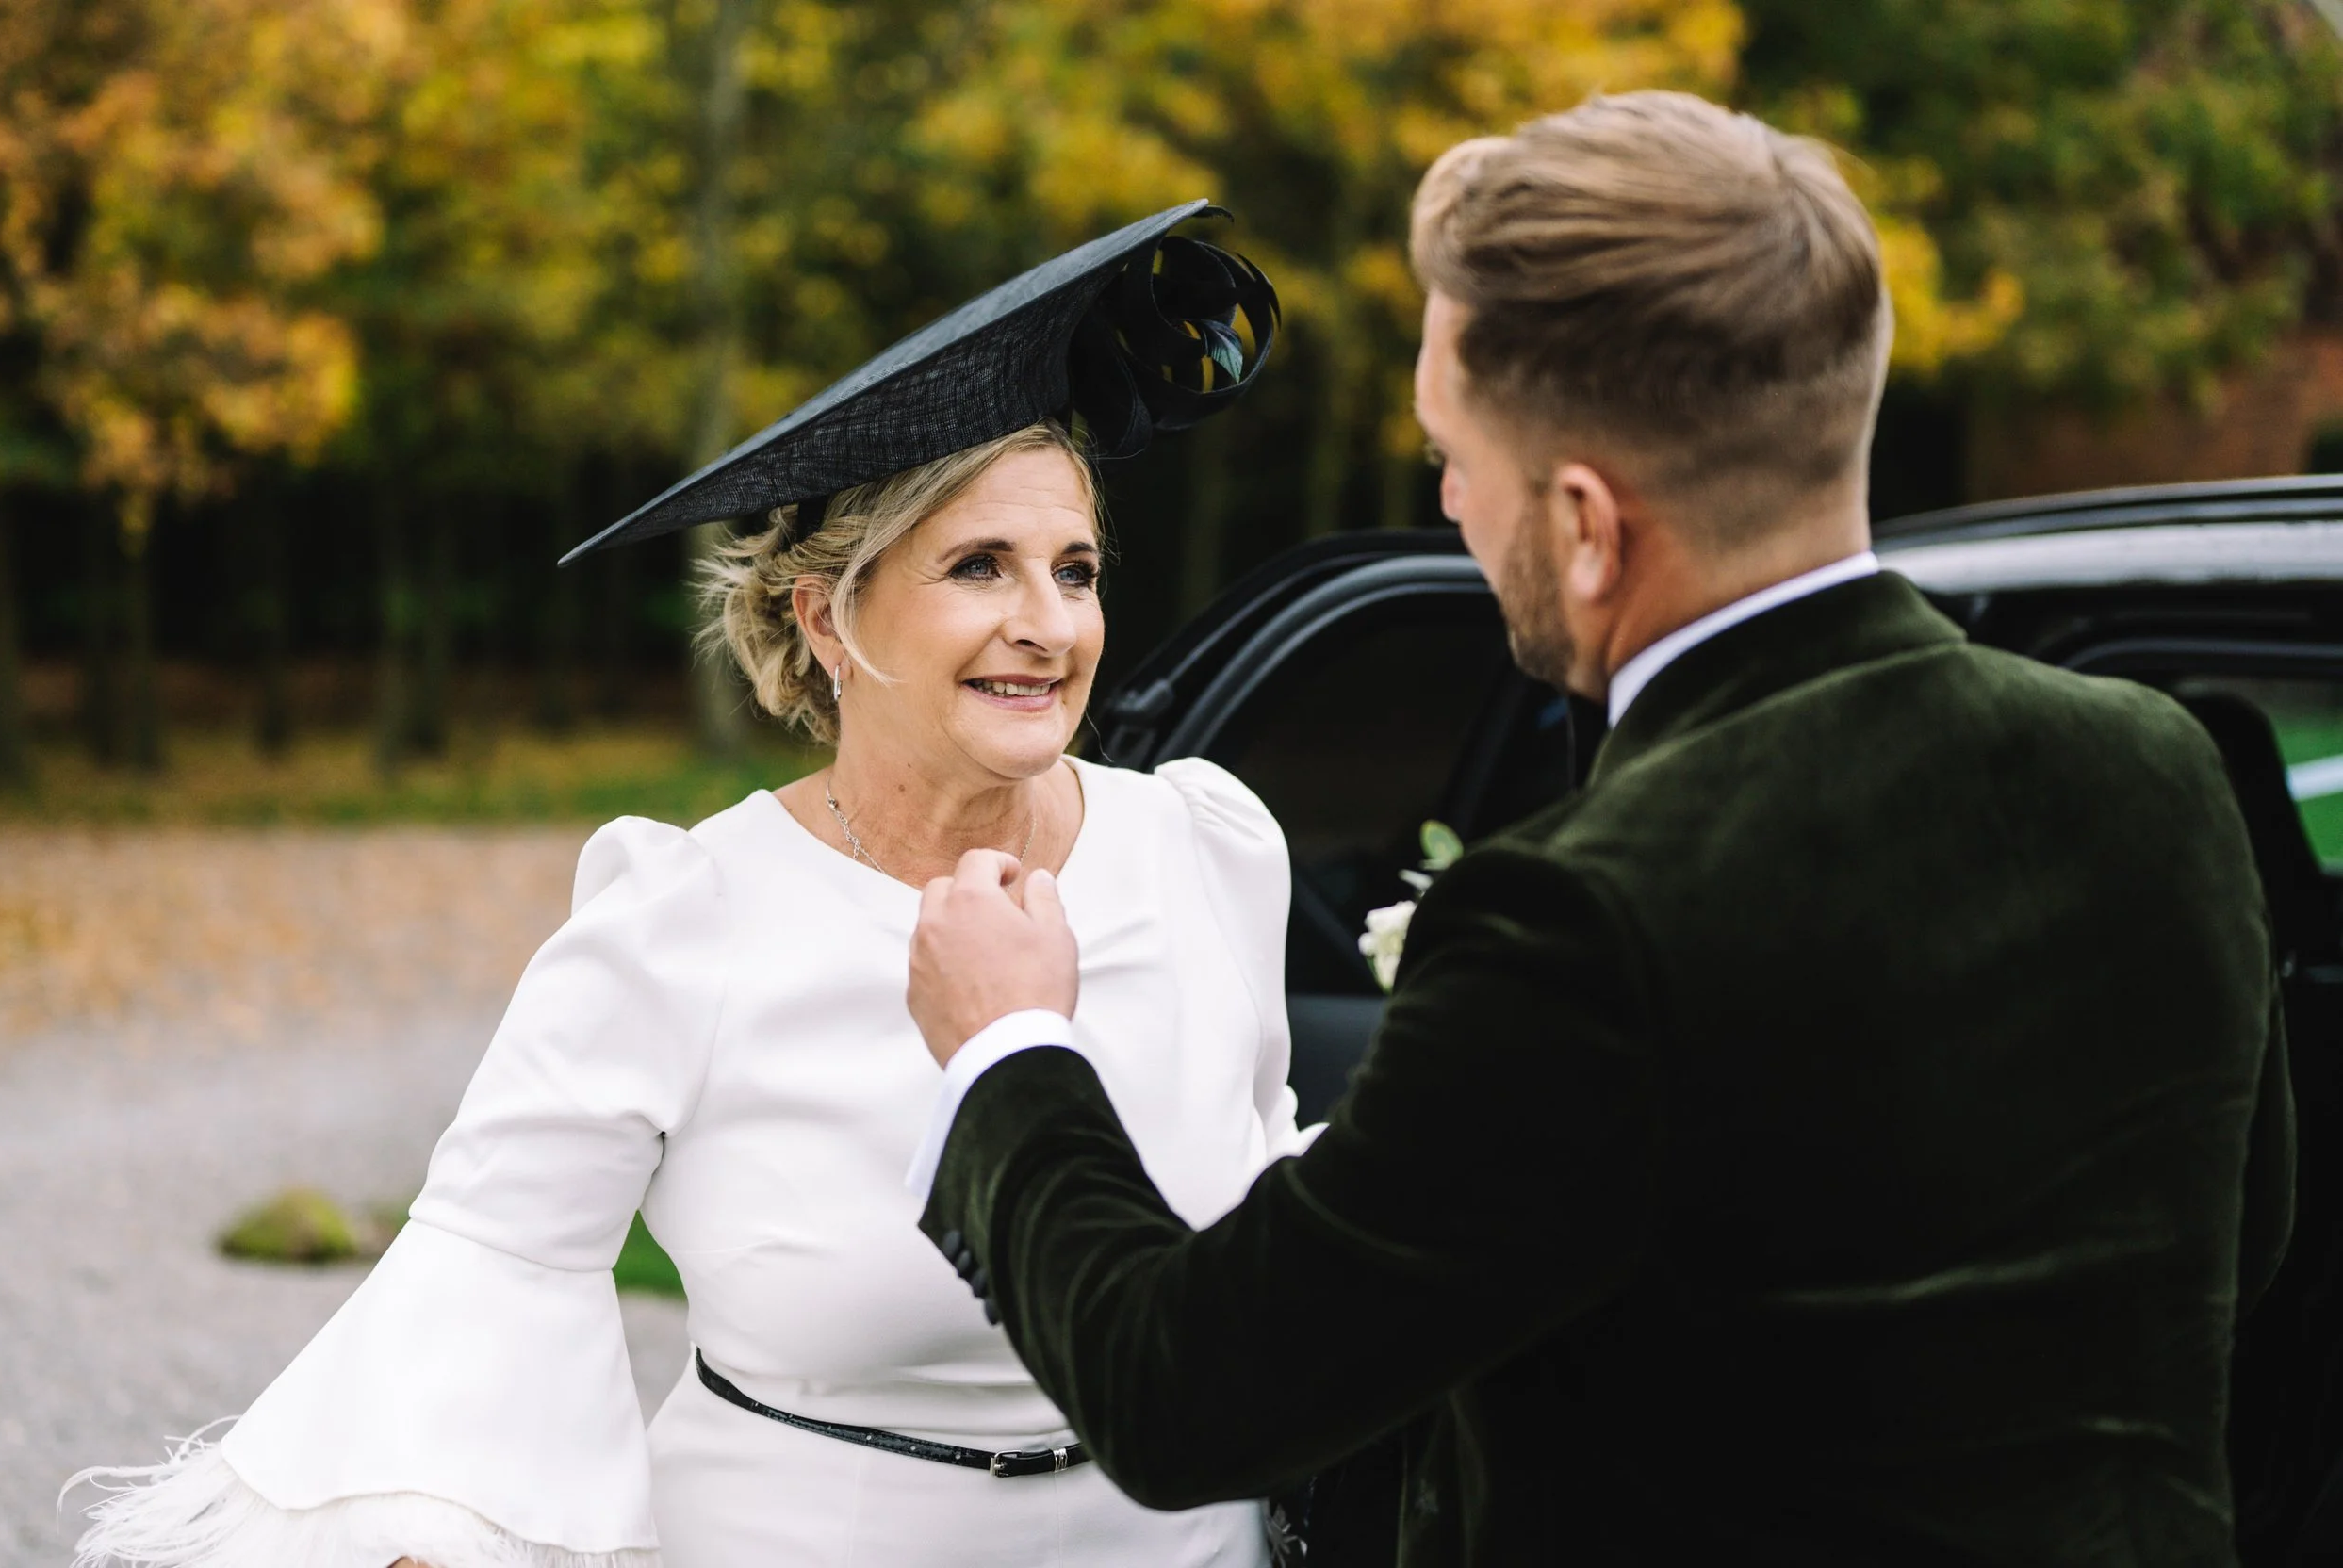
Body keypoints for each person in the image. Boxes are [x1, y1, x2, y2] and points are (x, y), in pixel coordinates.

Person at [901, 92, 2297, 1566]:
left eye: (1456, 456)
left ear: (1583, 523)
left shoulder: (1585, 921)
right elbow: (2240, 1243)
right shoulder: (2161, 767)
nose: (1449, 503)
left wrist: (1010, 1048)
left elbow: (1187, 1392)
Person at [69, 205, 1303, 1568]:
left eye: (1075, 571)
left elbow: (1285, 1225)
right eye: (978, 568)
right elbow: (495, 1264)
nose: (1050, 625)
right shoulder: (684, 918)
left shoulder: (1206, 852)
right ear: (827, 617)